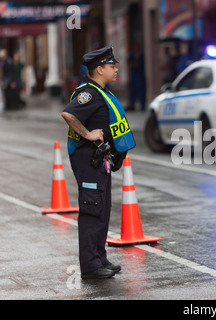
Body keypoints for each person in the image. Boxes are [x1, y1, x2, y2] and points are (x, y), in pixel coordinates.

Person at [61, 46, 136, 279]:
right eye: (112, 67)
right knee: (92, 210)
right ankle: (90, 266)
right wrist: (88, 134)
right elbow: (68, 114)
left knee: (101, 208)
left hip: (100, 160)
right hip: (88, 160)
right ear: (100, 69)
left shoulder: (102, 91)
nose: (116, 70)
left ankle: (99, 258)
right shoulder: (89, 93)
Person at [126, 44, 146, 111]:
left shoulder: (141, 55)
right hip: (134, 76)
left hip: (140, 76)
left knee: (141, 92)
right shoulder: (132, 54)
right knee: (133, 92)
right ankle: (132, 105)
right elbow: (129, 62)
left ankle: (142, 106)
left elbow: (140, 65)